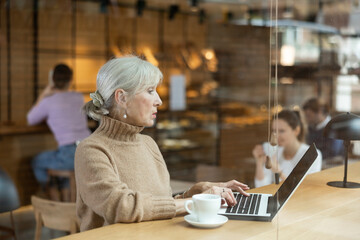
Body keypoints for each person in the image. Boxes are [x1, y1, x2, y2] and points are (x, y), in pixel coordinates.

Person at [75, 55, 250, 231]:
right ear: (121, 98)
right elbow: (123, 207)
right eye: (150, 91)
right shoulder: (91, 150)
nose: (159, 101)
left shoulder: (148, 143)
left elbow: (155, 209)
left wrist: (196, 192)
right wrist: (194, 202)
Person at [27, 64, 91, 200]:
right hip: (88, 150)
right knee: (63, 166)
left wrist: (44, 93)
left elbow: (31, 119)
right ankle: (65, 200)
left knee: (37, 161)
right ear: (70, 80)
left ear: (52, 79)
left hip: (68, 154)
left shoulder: (48, 101)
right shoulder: (78, 97)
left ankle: (52, 197)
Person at [252, 109, 322, 188]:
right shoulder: (274, 150)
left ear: (296, 130)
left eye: (282, 131)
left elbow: (303, 190)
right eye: (274, 131)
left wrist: (279, 172)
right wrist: (259, 162)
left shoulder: (312, 154)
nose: (276, 136)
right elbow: (261, 186)